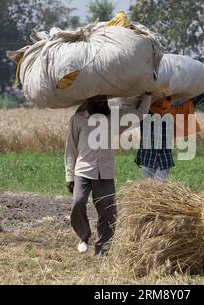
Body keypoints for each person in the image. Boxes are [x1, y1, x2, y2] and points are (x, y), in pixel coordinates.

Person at [65, 93, 152, 257]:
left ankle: (102, 252)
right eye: (96, 99)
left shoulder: (115, 117)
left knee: (109, 212)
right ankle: (84, 236)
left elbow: (140, 114)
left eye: (102, 99)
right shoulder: (78, 119)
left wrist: (147, 94)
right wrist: (69, 176)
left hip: (105, 172)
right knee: (78, 202)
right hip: (83, 170)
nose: (99, 101)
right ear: (88, 100)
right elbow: (71, 149)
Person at [135, 90, 204, 180]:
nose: (161, 102)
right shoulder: (147, 112)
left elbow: (193, 102)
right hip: (153, 159)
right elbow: (193, 102)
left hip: (156, 159)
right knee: (151, 189)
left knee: (155, 189)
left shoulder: (146, 112)